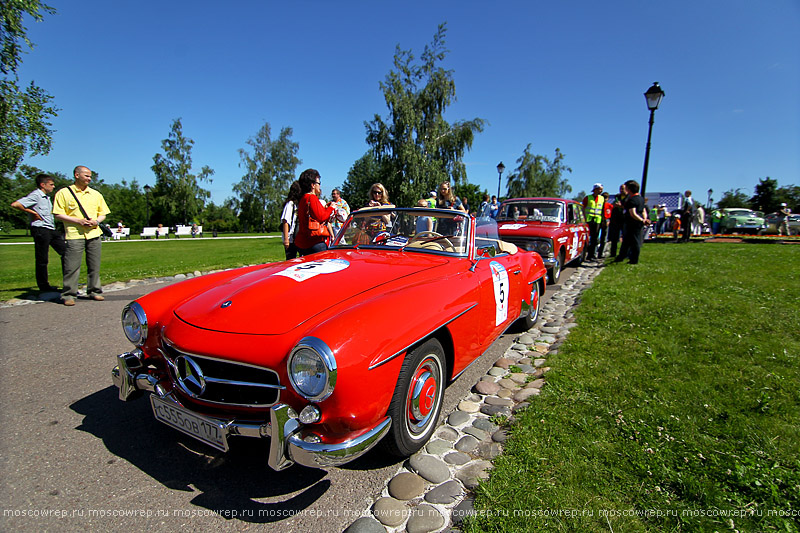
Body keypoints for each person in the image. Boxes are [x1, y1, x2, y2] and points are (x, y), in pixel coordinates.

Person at [52, 165, 110, 306]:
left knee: (94, 265)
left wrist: (96, 221)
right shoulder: (64, 193)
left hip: (94, 233)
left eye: (90, 176)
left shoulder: (95, 194)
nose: (89, 179)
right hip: (74, 234)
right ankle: (69, 294)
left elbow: (103, 213)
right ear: (77, 175)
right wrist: (78, 221)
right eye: (86, 176)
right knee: (72, 266)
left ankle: (94, 291)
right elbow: (58, 213)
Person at [10, 173, 67, 292]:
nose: (53, 186)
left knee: (66, 252)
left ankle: (69, 281)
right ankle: (43, 285)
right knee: (42, 258)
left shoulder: (46, 197)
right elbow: (16, 204)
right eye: (51, 184)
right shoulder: (36, 195)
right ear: (43, 185)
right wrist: (32, 213)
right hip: (40, 229)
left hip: (51, 229)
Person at [294, 169, 335, 256]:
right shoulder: (311, 198)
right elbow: (321, 217)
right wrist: (331, 208)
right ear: (313, 185)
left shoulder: (303, 199)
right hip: (313, 242)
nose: (319, 186)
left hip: (302, 242)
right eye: (319, 183)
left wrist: (326, 208)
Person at [614, 180, 646, 264]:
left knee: (635, 242)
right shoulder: (640, 198)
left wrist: (642, 220)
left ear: (629, 189)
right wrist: (644, 218)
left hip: (632, 223)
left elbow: (633, 213)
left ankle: (634, 260)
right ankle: (621, 257)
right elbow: (643, 210)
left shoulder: (633, 200)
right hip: (635, 222)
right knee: (626, 241)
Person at [280, 181, 302, 260]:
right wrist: (286, 239)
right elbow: (286, 221)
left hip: (297, 238)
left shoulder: (297, 204)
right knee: (290, 259)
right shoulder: (290, 204)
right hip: (290, 239)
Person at [582, 183, 604, 261]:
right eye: (599, 189)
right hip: (588, 220)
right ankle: (584, 254)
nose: (601, 191)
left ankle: (592, 255)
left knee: (595, 239)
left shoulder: (602, 198)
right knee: (587, 238)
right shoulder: (588, 198)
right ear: (595, 189)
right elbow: (583, 208)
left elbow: (602, 210)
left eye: (601, 189)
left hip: (597, 220)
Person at [608, 184, 626, 258]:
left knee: (625, 237)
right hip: (615, 220)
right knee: (614, 238)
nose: (621, 190)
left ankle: (623, 254)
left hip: (624, 219)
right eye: (620, 188)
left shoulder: (629, 198)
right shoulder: (617, 197)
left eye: (623, 188)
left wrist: (621, 206)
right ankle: (613, 253)